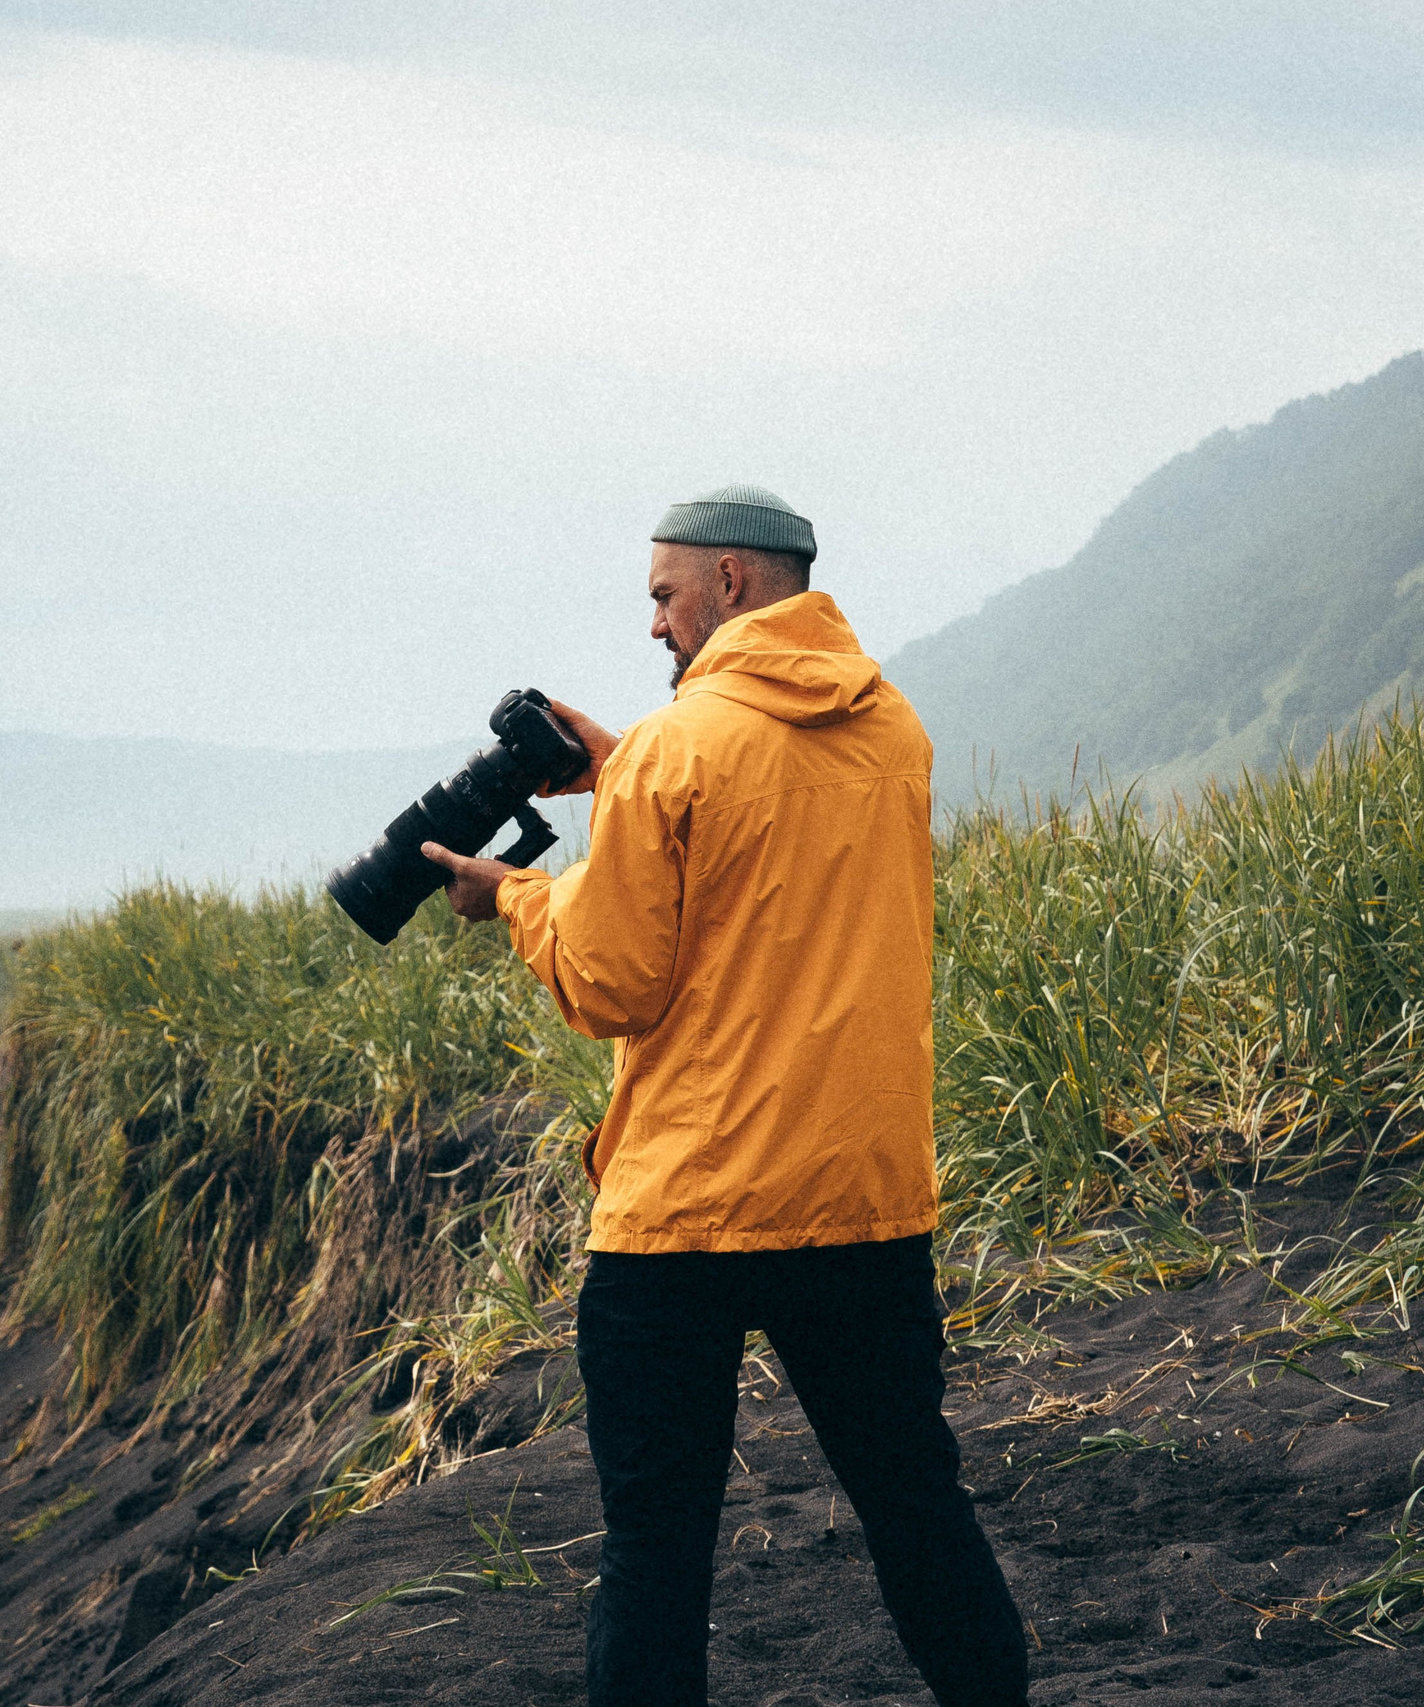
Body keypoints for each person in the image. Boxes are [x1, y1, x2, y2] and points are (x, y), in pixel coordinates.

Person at [422, 485, 1028, 1707]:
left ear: (730, 582)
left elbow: (611, 983)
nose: (653, 622)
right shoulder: (892, 729)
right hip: (860, 1201)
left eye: (663, 594)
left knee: (656, 1549)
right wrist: (618, 771)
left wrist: (515, 899)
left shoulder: (677, 748)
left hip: (683, 1218)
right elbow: (771, 828)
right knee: (916, 1503)